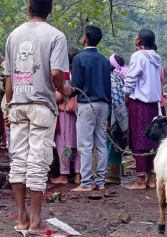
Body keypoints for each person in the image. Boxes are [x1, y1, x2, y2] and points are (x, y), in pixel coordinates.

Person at [4, 0, 70, 235]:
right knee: (38, 163)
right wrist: (64, 90)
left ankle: (21, 219)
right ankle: (35, 222)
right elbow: (55, 74)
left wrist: (9, 108)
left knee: (18, 161)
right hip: (42, 105)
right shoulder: (56, 36)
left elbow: (8, 79)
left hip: (18, 104)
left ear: (29, 9)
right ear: (50, 10)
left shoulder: (13, 35)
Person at [70, 26, 111, 192]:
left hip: (86, 104)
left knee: (85, 144)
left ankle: (86, 182)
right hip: (103, 104)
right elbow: (108, 87)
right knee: (101, 142)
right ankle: (100, 182)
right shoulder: (104, 60)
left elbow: (76, 85)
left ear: (85, 38)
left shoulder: (79, 58)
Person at [124, 29, 163, 190]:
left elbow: (131, 77)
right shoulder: (156, 56)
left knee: (139, 139)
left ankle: (140, 179)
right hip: (153, 104)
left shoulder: (138, 56)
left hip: (139, 102)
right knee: (153, 140)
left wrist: (126, 93)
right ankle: (152, 178)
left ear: (140, 40)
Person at [51, 47, 81, 185]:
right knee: (78, 144)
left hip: (65, 112)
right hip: (79, 111)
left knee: (64, 143)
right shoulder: (79, 73)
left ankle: (64, 174)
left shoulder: (64, 74)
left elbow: (59, 96)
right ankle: (78, 175)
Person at [106, 53, 129, 185]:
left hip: (111, 113)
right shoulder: (122, 77)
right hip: (121, 114)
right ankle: (114, 174)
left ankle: (106, 173)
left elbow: (111, 98)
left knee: (108, 141)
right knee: (116, 143)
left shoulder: (111, 78)